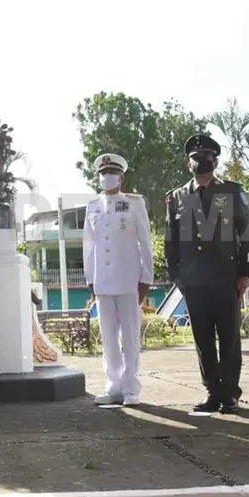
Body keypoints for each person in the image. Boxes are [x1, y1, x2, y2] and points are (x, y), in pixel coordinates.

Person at [164, 134, 249, 414]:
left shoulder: (231, 191)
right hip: (193, 280)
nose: (201, 161)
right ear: (187, 164)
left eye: (206, 157)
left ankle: (230, 393)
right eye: (196, 158)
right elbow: (170, 238)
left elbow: (247, 233)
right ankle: (213, 392)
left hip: (226, 277)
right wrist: (175, 274)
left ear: (215, 162)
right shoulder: (177, 197)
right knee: (203, 340)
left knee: (229, 338)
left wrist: (245, 272)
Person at [83, 153, 153, 407]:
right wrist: (90, 279)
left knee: (130, 336)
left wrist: (146, 277)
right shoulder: (92, 206)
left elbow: (145, 242)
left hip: (128, 279)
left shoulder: (134, 203)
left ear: (121, 178)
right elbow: (89, 245)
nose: (107, 177)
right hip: (102, 281)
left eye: (112, 173)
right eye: (103, 173)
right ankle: (113, 386)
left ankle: (130, 388)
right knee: (109, 337)